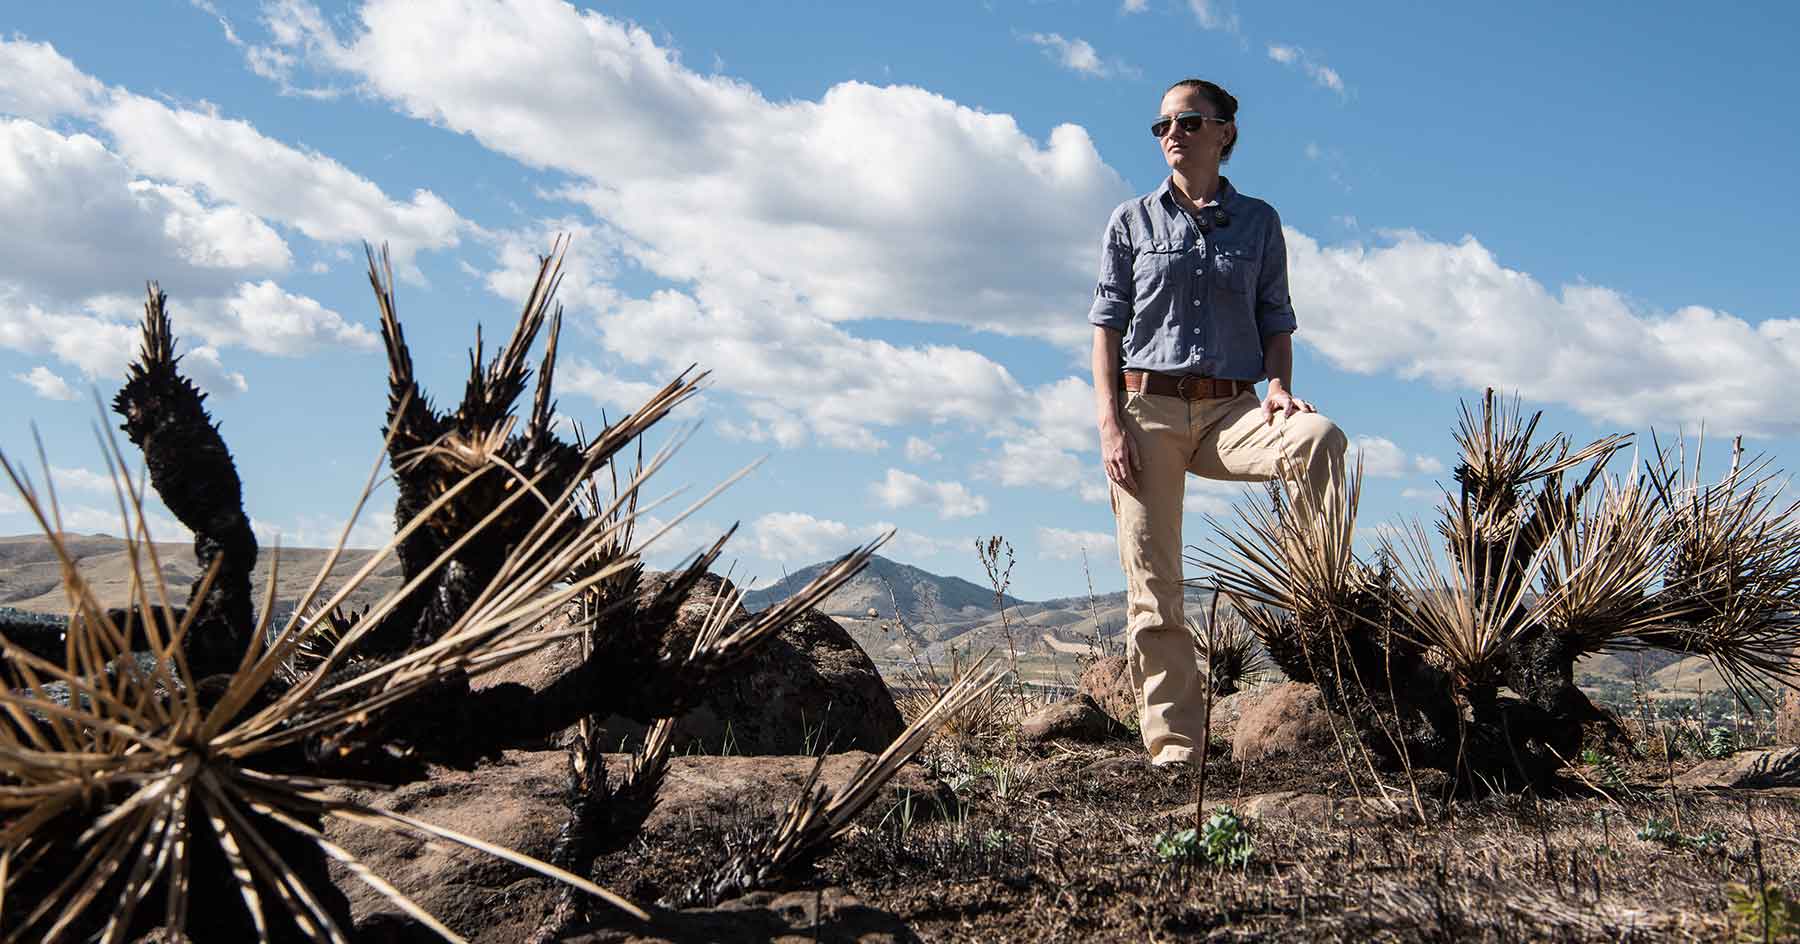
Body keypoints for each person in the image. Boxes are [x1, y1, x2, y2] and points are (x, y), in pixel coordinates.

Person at [1088, 78, 1347, 768]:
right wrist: (1111, 424)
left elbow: (1277, 319)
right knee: (1154, 587)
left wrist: (1283, 388)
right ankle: (1177, 749)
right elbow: (1106, 330)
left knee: (1319, 439)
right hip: (1148, 411)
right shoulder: (1131, 222)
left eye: (1190, 120)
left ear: (1225, 132)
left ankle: (1319, 599)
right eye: (1163, 124)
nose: (1173, 131)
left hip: (1235, 409)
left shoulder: (1261, 222)